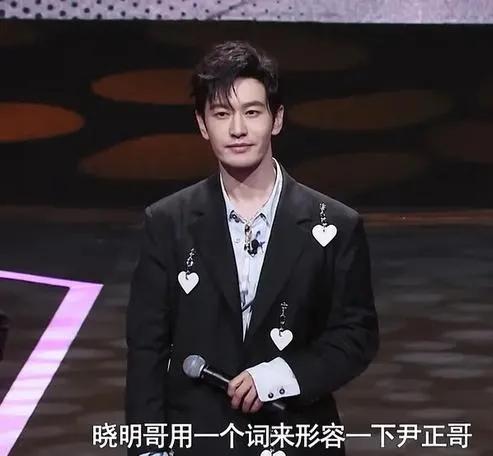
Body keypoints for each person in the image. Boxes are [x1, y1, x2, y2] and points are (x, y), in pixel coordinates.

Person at [126, 41, 379, 455]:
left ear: (277, 119)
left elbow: (356, 336)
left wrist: (280, 376)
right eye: (221, 114)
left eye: (252, 112)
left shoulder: (336, 224)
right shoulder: (168, 222)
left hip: (293, 435)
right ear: (202, 124)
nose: (237, 129)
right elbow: (146, 350)